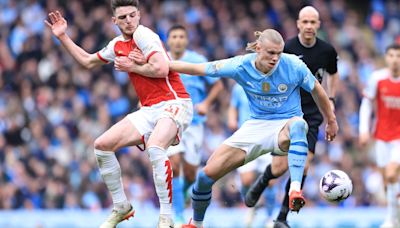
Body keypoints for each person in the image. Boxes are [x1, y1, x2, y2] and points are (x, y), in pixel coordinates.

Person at [168, 29, 338, 228]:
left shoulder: (293, 65)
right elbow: (198, 68)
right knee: (205, 176)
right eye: (271, 53)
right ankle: (196, 224)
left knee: (300, 125)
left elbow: (318, 90)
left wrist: (331, 119)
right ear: (258, 49)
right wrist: (163, 64)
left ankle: (294, 189)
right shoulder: (241, 65)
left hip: (285, 124)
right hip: (254, 126)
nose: (276, 58)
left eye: (279, 53)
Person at [45, 1, 193, 227]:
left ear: (139, 15)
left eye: (132, 15)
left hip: (174, 102)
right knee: (102, 145)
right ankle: (122, 206)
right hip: (148, 109)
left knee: (155, 147)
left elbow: (162, 69)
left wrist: (131, 67)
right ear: (114, 21)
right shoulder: (116, 45)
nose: (129, 21)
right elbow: (87, 61)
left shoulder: (144, 35)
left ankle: (166, 219)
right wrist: (62, 37)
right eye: (122, 17)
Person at [244, 6, 339, 228]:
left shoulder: (327, 51)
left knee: (304, 166)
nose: (308, 26)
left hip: (312, 115)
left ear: (318, 25)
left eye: (312, 22)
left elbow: (333, 74)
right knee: (278, 168)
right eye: (304, 22)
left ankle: (282, 217)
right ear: (297, 24)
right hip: (288, 112)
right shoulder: (286, 48)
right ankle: (263, 181)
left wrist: (331, 99)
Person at [164, 25, 223, 225]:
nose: (178, 40)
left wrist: (206, 103)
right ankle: (179, 215)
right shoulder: (161, 59)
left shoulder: (197, 60)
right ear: (168, 40)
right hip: (170, 120)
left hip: (194, 123)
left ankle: (183, 194)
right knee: (174, 166)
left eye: (182, 36)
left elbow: (217, 84)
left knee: (190, 172)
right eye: (174, 36)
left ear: (186, 40)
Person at [359, 43, 400, 228]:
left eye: (398, 56)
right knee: (386, 182)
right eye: (391, 56)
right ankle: (395, 216)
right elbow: (366, 104)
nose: (394, 60)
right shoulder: (377, 78)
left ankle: (391, 220)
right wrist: (363, 130)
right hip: (382, 136)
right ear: (386, 58)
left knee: (392, 174)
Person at [228, 83, 277, 227]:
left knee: (271, 180)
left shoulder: (269, 85)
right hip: (247, 138)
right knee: (246, 180)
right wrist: (232, 119)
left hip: (266, 136)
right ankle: (251, 205)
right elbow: (233, 106)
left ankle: (269, 218)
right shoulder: (239, 86)